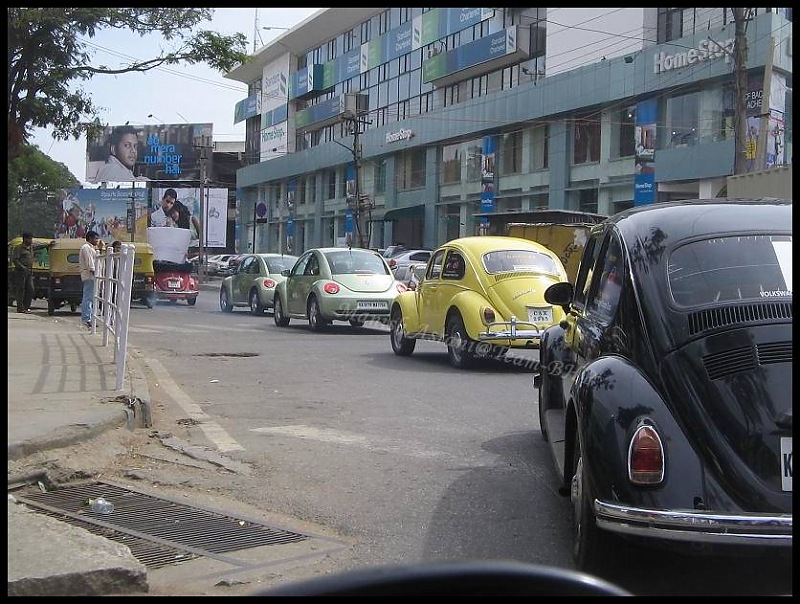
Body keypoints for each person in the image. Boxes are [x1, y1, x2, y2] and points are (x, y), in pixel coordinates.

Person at [79, 230, 101, 328]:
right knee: (88, 297)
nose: (97, 240)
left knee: (91, 298)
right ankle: (87, 318)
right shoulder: (86, 247)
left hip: (92, 276)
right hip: (89, 275)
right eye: (96, 238)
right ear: (90, 238)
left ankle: (90, 318)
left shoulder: (92, 248)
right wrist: (94, 272)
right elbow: (90, 262)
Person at [11, 232, 35, 313]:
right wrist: (22, 267)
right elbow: (15, 260)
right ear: (25, 239)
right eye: (30, 238)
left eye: (31, 239)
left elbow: (40, 246)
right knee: (21, 289)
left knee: (31, 289)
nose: (31, 240)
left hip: (29, 272)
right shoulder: (19, 248)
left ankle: (26, 307)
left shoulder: (31, 248)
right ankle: (20, 308)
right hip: (20, 271)